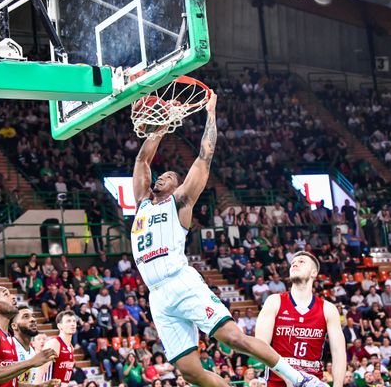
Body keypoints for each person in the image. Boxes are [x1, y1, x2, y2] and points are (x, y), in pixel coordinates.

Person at [131, 93, 325, 387]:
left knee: (233, 338)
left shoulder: (180, 202)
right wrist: (160, 126)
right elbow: (143, 158)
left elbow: (205, 155)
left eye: (170, 176)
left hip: (181, 283)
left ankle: (299, 380)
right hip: (156, 295)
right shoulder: (143, 202)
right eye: (162, 175)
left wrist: (210, 113)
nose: (162, 177)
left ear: (178, 185)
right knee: (190, 372)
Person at [256, 251, 347, 387]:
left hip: (312, 382)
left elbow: (339, 352)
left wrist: (338, 385)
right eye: (293, 263)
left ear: (314, 273)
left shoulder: (328, 309)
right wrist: (288, 376)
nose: (295, 264)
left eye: (301, 262)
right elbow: (260, 346)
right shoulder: (275, 301)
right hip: (278, 382)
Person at [0, 286, 56, 387]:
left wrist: (38, 386)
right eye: (6, 294)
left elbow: (10, 383)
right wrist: (31, 362)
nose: (13, 297)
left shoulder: (9, 337)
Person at [11, 306, 58, 386]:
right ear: (14, 326)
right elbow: (3, 383)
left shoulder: (32, 352)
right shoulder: (9, 346)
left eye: (33, 316)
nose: (33, 319)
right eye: (26, 316)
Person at [43, 311, 76, 385]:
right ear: (59, 326)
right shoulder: (54, 344)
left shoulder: (71, 347)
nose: (72, 324)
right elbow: (40, 371)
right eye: (68, 321)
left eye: (74, 321)